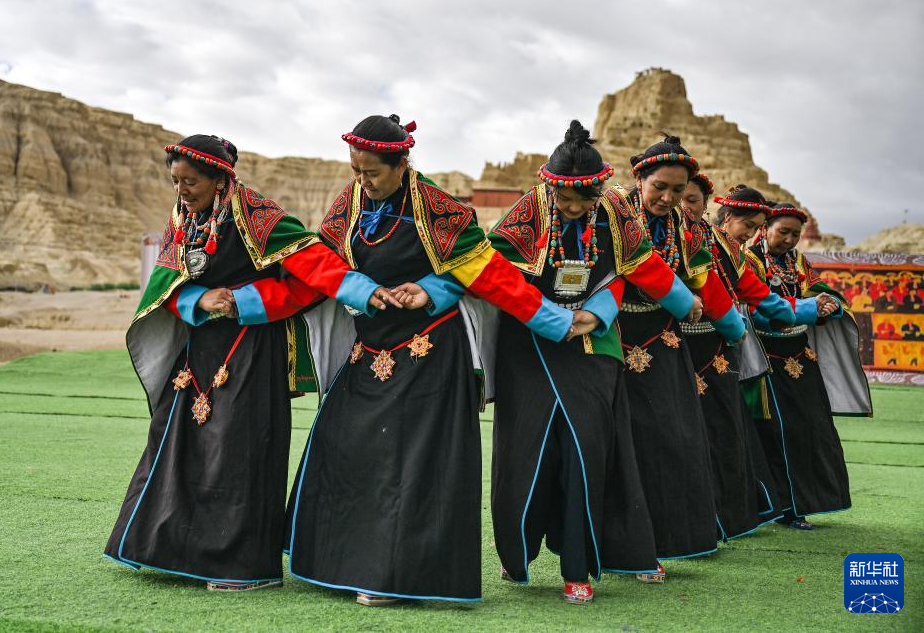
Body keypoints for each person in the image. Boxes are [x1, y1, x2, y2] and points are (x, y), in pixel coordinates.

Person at [285, 115, 593, 606]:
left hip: (429, 352)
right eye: (356, 170)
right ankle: (338, 562)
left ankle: (394, 578)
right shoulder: (351, 202)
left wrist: (554, 321)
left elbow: (487, 274)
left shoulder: (438, 209)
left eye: (372, 173)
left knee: (409, 465)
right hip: (370, 347)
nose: (362, 181)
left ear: (402, 164)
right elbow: (323, 260)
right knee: (344, 443)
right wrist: (354, 289)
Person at [104, 134, 401, 591]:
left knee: (238, 452)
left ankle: (243, 567)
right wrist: (199, 300)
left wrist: (245, 301)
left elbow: (315, 272)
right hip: (198, 352)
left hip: (252, 350)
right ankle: (171, 551)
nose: (181, 190)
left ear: (219, 179)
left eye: (190, 182)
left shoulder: (260, 217)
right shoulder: (183, 220)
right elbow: (164, 284)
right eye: (175, 181)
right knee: (175, 444)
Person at [486, 121, 703, 604]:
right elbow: (494, 275)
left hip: (592, 344)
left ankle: (576, 566)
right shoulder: (527, 212)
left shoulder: (613, 213)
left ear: (599, 189)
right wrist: (552, 320)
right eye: (564, 198)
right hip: (530, 347)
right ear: (550, 186)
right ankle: (517, 552)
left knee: (586, 450)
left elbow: (635, 267)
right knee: (527, 450)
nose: (573, 207)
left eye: (583, 199)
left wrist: (600, 313)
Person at [618, 135, 746, 581]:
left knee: (673, 439)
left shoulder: (684, 228)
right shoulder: (611, 213)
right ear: (639, 178)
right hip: (611, 341)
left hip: (665, 343)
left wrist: (732, 328)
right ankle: (622, 547)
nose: (669, 198)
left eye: (677, 190)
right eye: (660, 187)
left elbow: (706, 282)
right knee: (620, 444)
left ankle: (663, 543)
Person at [681, 181, 796, 540]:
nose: (751, 234)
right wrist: (736, 327)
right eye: (748, 225)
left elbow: (757, 294)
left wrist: (800, 310)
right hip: (685, 346)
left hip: (718, 348)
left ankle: (726, 515)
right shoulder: (695, 239)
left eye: (757, 228)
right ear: (727, 216)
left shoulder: (729, 249)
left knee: (724, 428)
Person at [747, 203, 872, 530]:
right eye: (783, 232)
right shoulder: (750, 261)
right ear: (765, 228)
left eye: (795, 234)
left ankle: (808, 502)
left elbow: (820, 293)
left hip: (801, 356)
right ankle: (784, 508)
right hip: (767, 358)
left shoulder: (797, 262)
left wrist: (829, 306)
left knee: (813, 429)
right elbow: (757, 310)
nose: (789, 240)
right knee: (779, 432)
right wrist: (806, 309)